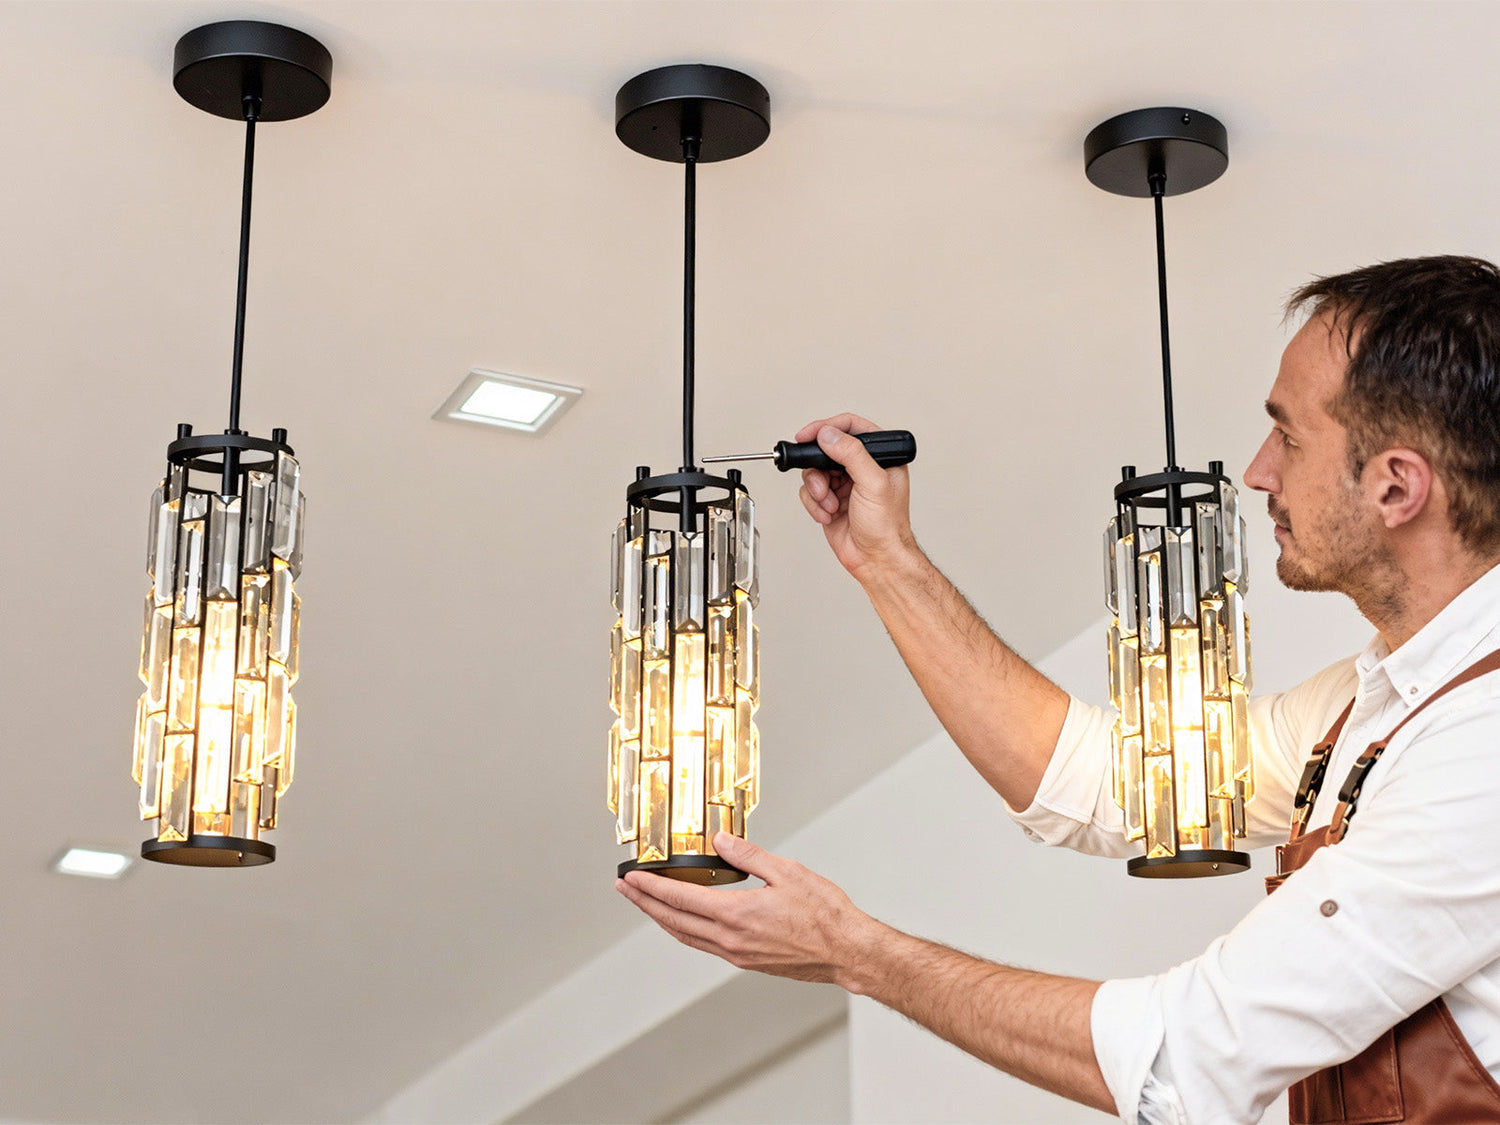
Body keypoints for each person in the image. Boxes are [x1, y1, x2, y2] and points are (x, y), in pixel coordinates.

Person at [617, 255, 1500, 1123]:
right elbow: (1104, 780)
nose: (1259, 470)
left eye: (1291, 436)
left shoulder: (1481, 745)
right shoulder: (1378, 701)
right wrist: (887, 559)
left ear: (1395, 485)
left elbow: (1183, 1062)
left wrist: (856, 953)